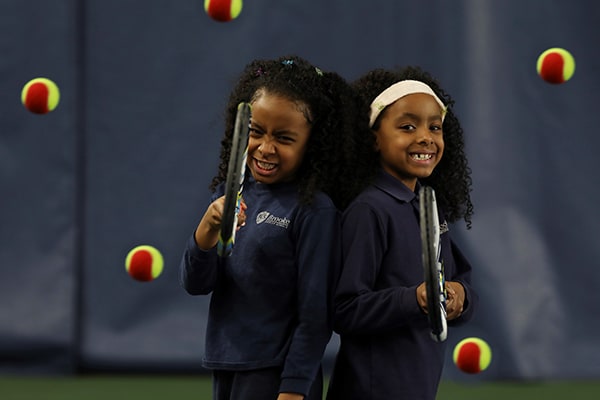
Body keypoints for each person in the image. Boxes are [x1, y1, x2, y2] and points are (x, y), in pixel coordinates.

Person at [180, 55, 360, 400]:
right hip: (226, 364)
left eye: (284, 138)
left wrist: (293, 389)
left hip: (277, 377)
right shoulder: (231, 193)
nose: (265, 147)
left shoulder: (315, 211)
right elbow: (196, 283)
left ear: (313, 144)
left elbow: (315, 316)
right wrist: (205, 231)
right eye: (256, 132)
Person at [326, 66, 479, 400]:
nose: (425, 137)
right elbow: (345, 309)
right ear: (373, 138)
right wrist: (414, 298)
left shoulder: (428, 205)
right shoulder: (368, 211)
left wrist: (458, 297)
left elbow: (459, 280)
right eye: (407, 126)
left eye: (434, 127)